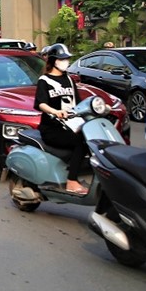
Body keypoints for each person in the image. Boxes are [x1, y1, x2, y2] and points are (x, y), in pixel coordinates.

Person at [33, 43, 87, 195]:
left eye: (67, 59)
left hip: (72, 125)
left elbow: (78, 102)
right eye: (62, 59)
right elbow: (40, 103)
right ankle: (72, 181)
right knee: (79, 144)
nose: (66, 62)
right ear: (54, 61)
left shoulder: (69, 80)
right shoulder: (44, 80)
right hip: (52, 128)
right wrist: (55, 112)